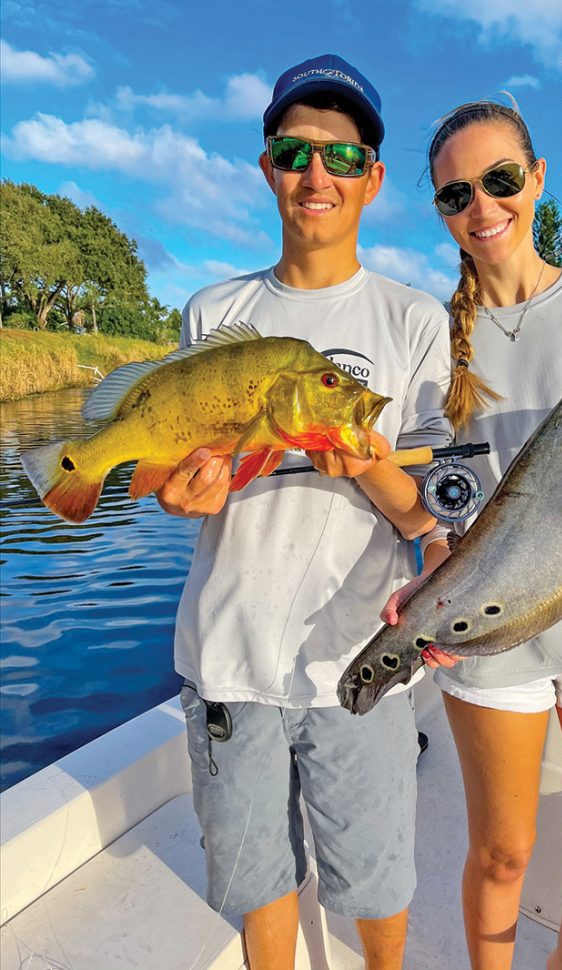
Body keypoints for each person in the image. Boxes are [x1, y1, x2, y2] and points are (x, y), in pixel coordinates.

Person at [156, 55, 452, 970]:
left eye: (342, 158)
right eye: (294, 152)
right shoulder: (216, 310)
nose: (316, 176)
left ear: (373, 179)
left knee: (376, 878)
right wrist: (171, 493)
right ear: (266, 166)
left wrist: (367, 466)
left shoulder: (413, 321)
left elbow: (427, 512)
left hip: (357, 660)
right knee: (259, 878)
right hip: (228, 653)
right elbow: (167, 475)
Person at [382, 98, 562, 970]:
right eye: (456, 194)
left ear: (537, 179)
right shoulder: (435, 340)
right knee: (502, 852)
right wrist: (433, 572)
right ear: (440, 210)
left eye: (501, 180)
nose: (483, 206)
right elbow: (441, 504)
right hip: (491, 633)